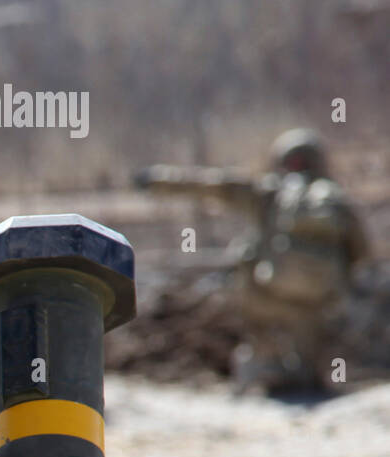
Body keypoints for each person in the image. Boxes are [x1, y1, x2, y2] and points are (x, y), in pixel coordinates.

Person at [135, 128, 368, 394]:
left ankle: (267, 364)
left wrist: (156, 180)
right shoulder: (334, 199)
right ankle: (307, 377)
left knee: (245, 260)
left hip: (265, 294)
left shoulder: (269, 194)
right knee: (310, 346)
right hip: (318, 301)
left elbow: (213, 185)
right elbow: (361, 252)